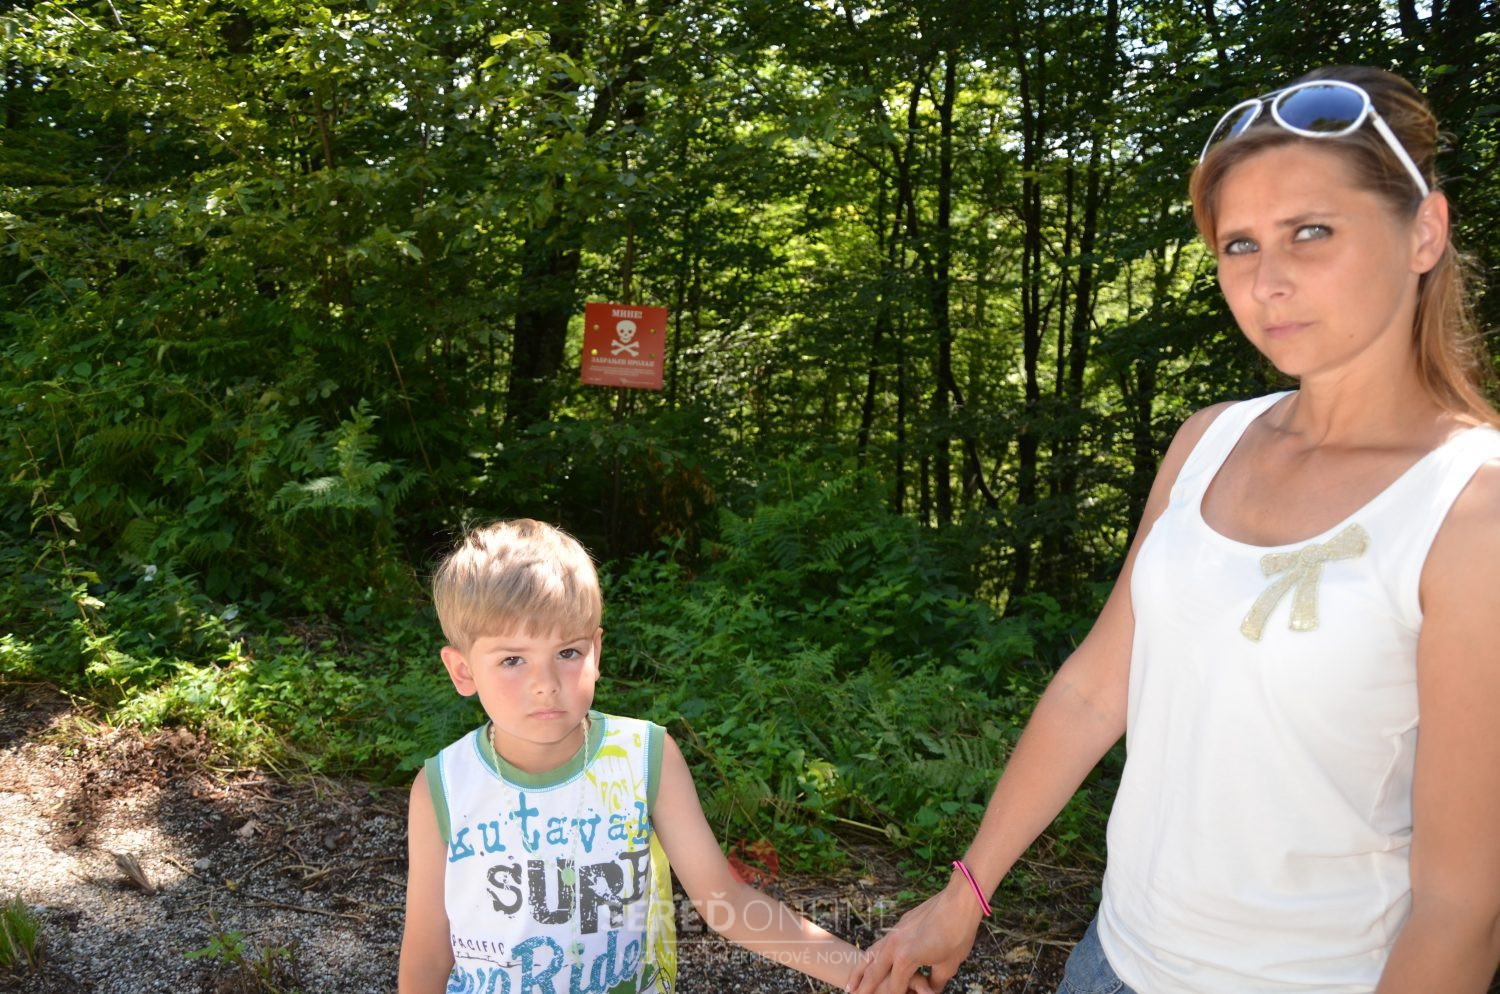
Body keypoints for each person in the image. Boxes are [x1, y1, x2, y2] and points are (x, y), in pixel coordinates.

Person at [850, 65, 1500, 994]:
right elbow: (1094, 691)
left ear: (1424, 231)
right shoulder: (1211, 440)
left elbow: (1461, 908)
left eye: (1312, 231)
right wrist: (966, 892)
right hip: (1112, 961)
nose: (1268, 281)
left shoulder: (1470, 506)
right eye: (1240, 244)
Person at [398, 518, 899, 994]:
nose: (545, 684)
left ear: (595, 652)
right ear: (463, 671)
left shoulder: (643, 759)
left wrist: (867, 975)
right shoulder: (444, 787)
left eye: (567, 653)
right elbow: (427, 954)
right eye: (512, 659)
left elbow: (727, 903)